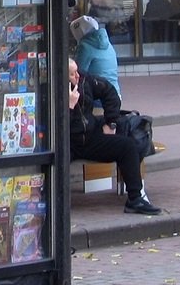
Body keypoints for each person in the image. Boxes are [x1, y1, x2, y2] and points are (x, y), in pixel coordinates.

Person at [68, 58, 160, 216]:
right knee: (56, 161)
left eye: (77, 71)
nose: (77, 76)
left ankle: (135, 199)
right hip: (67, 141)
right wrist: (69, 106)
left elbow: (109, 91)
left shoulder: (84, 80)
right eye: (72, 74)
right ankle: (55, 204)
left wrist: (111, 123)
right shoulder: (51, 89)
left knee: (127, 146)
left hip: (89, 137)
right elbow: (55, 126)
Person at [71, 15, 121, 98]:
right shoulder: (107, 42)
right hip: (115, 93)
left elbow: (78, 72)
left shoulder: (85, 47)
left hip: (99, 97)